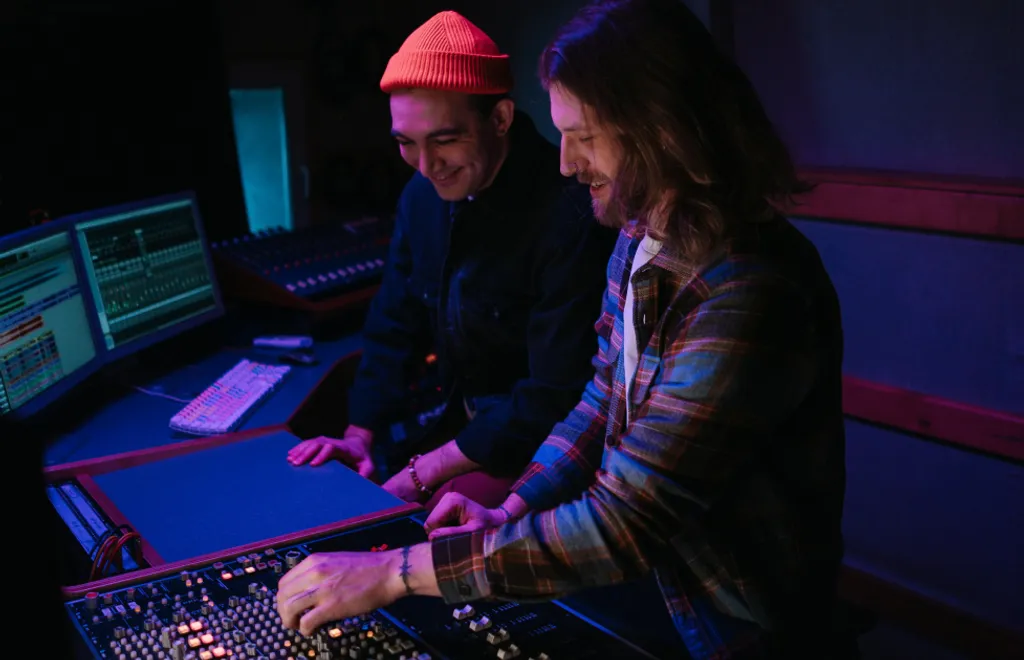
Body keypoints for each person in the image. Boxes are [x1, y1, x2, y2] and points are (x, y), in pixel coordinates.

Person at [276, 1, 849, 657]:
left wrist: (395, 573)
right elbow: (601, 398)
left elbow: (625, 523)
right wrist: (511, 508)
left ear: (661, 129)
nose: (567, 164)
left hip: (730, 616)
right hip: (658, 578)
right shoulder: (640, 232)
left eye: (585, 137)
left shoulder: (746, 289)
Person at [287, 11, 617, 509]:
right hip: (459, 423)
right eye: (406, 143)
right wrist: (360, 434)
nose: (426, 167)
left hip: (537, 441)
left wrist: (422, 472)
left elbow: (554, 393)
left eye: (444, 140)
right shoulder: (421, 195)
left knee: (435, 525)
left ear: (500, 119)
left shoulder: (570, 210)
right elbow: (393, 324)